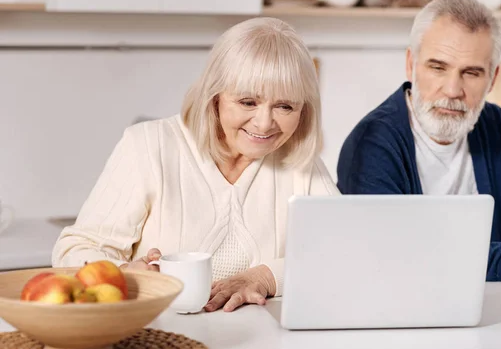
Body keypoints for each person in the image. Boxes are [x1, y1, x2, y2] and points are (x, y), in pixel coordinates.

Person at [52, 17, 339, 312]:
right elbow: (73, 250)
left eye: (285, 106)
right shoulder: (149, 145)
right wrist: (124, 273)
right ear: (214, 96)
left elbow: (347, 253)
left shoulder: (301, 163)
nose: (265, 123)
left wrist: (266, 277)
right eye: (248, 102)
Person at [336, 0, 501, 286]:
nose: (452, 90)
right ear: (411, 64)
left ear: (493, 78)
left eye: (471, 73)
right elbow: (395, 253)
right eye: (438, 67)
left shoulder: (495, 128)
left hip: (486, 316)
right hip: (400, 318)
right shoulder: (372, 143)